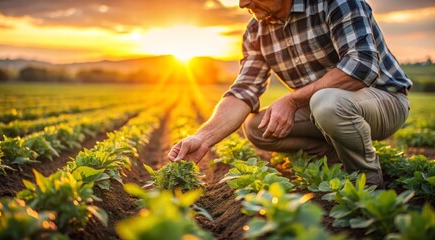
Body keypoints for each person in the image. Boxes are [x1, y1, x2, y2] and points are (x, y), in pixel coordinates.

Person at [168, 0, 412, 187]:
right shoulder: (256, 31)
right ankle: (337, 157)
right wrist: (202, 138)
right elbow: (244, 90)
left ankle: (368, 183)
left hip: (384, 100)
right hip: (325, 108)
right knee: (256, 126)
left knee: (326, 101)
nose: (243, 4)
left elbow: (362, 65)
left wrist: (293, 100)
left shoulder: (335, 3)